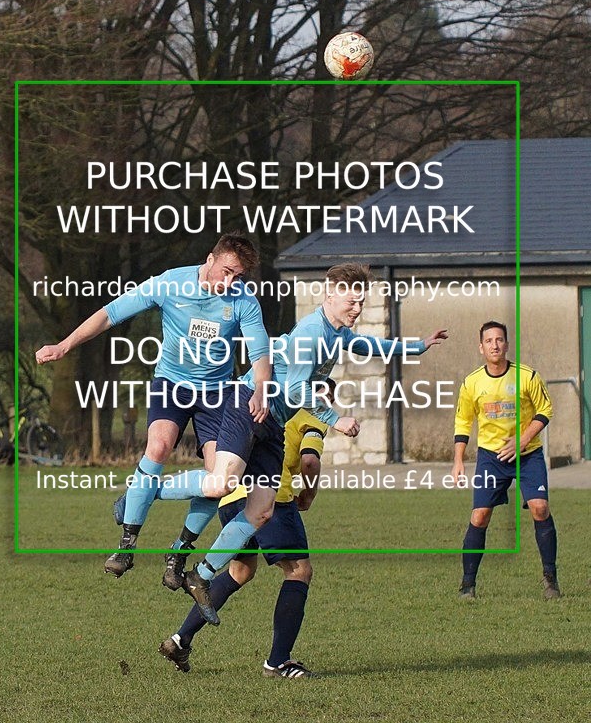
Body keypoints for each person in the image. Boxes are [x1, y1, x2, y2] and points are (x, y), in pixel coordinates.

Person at [150, 262, 447, 626]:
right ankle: (145, 490)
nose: (357, 308)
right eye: (351, 301)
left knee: (261, 510)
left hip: (273, 423)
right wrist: (337, 420)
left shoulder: (338, 332)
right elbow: (294, 389)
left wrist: (419, 346)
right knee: (221, 484)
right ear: (328, 295)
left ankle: (202, 573)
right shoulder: (311, 333)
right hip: (248, 404)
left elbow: (372, 344)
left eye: (361, 302)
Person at [35, 233, 271, 576]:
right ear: (210, 259)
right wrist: (64, 345)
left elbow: (261, 353)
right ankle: (127, 545)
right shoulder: (170, 283)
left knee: (219, 478)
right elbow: (110, 313)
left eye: (238, 276)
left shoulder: (243, 301)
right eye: (227, 271)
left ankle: (179, 549)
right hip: (172, 383)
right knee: (158, 446)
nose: (230, 281)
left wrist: (261, 388)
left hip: (217, 393)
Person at [158, 380, 337, 679]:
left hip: (232, 498)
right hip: (270, 499)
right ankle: (278, 662)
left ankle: (180, 640)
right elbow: (309, 461)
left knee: (240, 572)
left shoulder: (271, 403)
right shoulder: (314, 413)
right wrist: (308, 495)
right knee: (298, 571)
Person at [451, 321, 559, 600]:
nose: (495, 345)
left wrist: (523, 439)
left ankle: (550, 579)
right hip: (491, 457)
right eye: (489, 341)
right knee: (480, 515)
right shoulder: (472, 383)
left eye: (499, 340)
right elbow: (463, 421)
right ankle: (467, 585)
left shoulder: (527, 376)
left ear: (507, 345)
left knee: (540, 508)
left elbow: (545, 409)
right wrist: (458, 460)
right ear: (481, 347)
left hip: (528, 454)